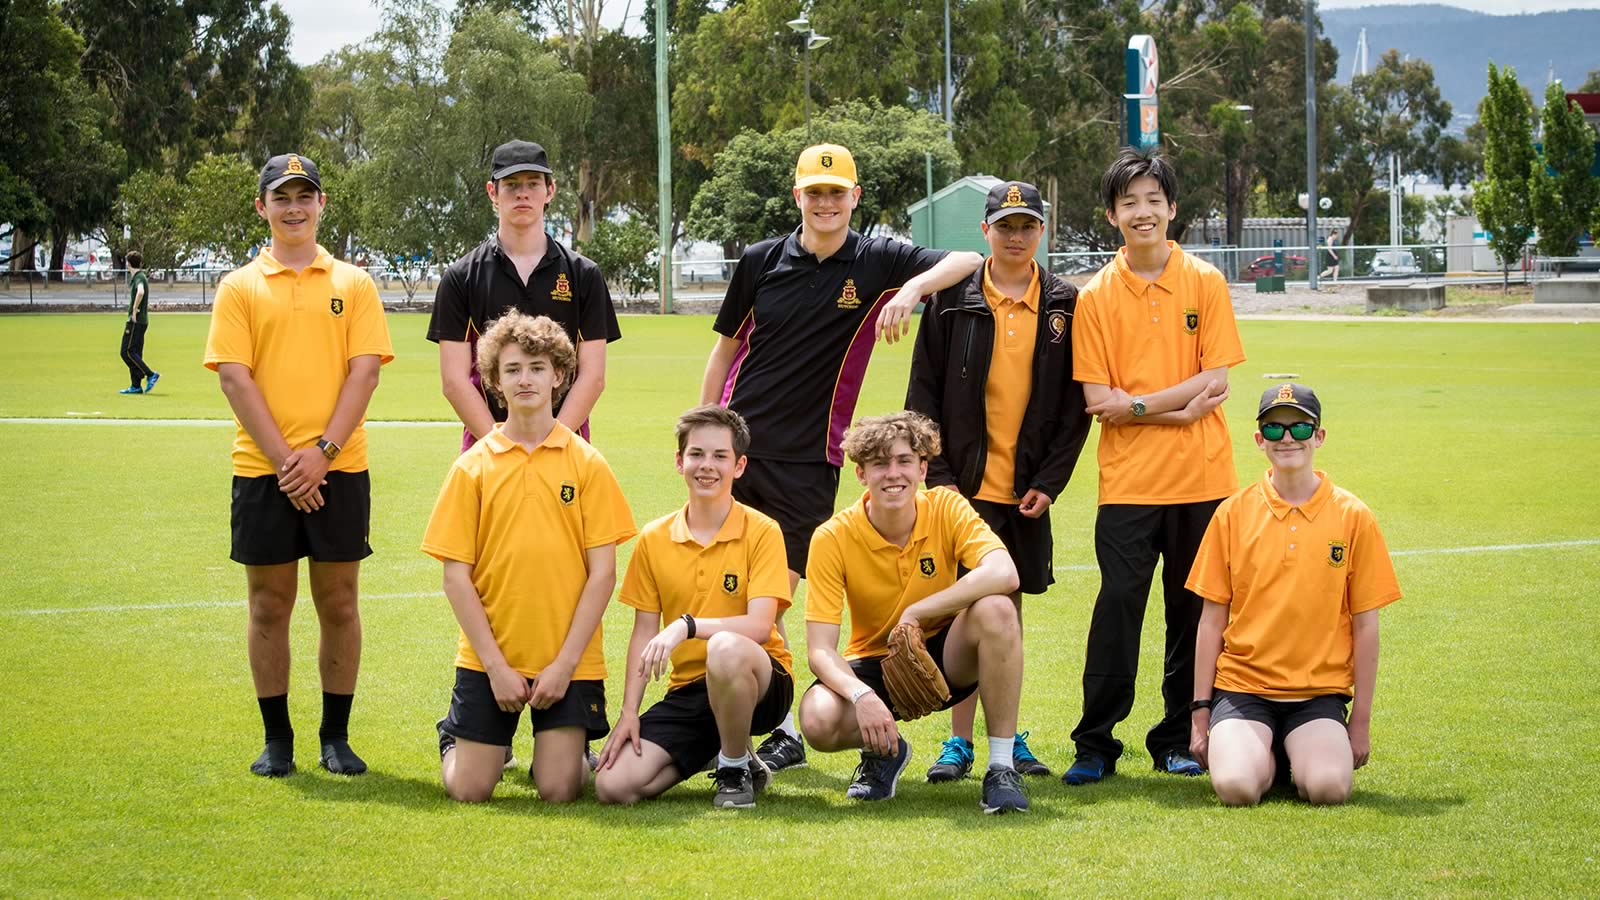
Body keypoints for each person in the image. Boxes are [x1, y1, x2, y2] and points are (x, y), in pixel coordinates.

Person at [701, 143, 983, 772]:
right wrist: (709, 439)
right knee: (733, 592)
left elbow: (969, 258)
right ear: (796, 197)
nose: (825, 203)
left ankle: (777, 731)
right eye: (813, 192)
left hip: (811, 460)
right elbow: (724, 354)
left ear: (855, 198)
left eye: (837, 193)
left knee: (776, 598)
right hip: (743, 449)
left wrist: (909, 289)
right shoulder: (759, 262)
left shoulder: (878, 257)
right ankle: (749, 729)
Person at [203, 153, 394, 777]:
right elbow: (235, 378)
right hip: (263, 471)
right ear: (262, 207)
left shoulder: (354, 284)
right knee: (268, 605)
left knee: (339, 602)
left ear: (321, 204)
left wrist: (323, 456)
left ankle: (334, 737)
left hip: (341, 468)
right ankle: (277, 739)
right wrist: (291, 462)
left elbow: (364, 373)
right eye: (281, 197)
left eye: (304, 196)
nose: (293, 207)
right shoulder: (238, 286)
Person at [1064, 147, 1247, 786]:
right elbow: (1096, 404)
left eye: (1153, 200)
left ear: (1173, 209)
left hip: (1205, 479)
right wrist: (1175, 408)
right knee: (1118, 607)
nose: (1142, 212)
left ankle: (1175, 740)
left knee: (1192, 613)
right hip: (1129, 484)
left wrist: (1139, 403)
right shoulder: (1095, 298)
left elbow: (1216, 378)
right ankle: (1094, 744)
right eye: (1129, 202)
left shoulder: (1205, 282)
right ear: (1112, 215)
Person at [906, 180, 1091, 782]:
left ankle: (1005, 739)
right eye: (1005, 226)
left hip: (1025, 490)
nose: (1016, 237)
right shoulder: (951, 298)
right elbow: (922, 396)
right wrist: (938, 477)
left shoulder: (1065, 303)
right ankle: (959, 741)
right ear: (984, 232)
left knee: (1005, 610)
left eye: (1027, 226)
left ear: (1043, 231)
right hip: (960, 487)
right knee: (962, 610)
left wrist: (1051, 480)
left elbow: (1074, 406)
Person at [421, 311, 636, 803]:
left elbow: (602, 574)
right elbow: (456, 578)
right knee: (469, 789)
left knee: (559, 789)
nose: (526, 379)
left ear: (559, 376)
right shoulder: (473, 466)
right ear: (494, 381)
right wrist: (495, 667)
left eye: (537, 368)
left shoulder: (587, 463)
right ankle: (459, 737)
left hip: (570, 660)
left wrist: (563, 665)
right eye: (512, 369)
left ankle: (563, 748)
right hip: (490, 657)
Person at [797, 412, 1031, 814]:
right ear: (860, 473)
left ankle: (1001, 767)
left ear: (923, 468)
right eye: (879, 463)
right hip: (876, 661)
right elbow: (820, 650)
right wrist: (862, 695)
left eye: (904, 461)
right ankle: (885, 750)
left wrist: (918, 611)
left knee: (999, 608)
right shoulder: (832, 536)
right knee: (816, 719)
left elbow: (1004, 572)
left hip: (947, 655)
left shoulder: (946, 505)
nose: (894, 474)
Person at [1187, 383, 1401, 805]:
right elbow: (1211, 620)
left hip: (1317, 694)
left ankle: (1297, 753)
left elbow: (1366, 625)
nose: (1287, 438)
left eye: (1300, 428)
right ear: (1259, 439)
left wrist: (1360, 722)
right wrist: (1200, 713)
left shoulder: (1353, 515)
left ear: (1319, 437)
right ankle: (1266, 756)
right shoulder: (1232, 513)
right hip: (1244, 689)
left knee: (1328, 789)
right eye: (1275, 428)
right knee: (1236, 788)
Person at [594, 405, 794, 809]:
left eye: (720, 456)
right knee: (614, 787)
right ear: (679, 461)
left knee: (724, 647)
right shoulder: (654, 537)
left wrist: (686, 626)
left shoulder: (763, 531)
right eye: (697, 454)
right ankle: (723, 748)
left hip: (760, 682)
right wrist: (629, 711)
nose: (707, 466)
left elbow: (759, 627)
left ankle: (734, 766)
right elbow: (643, 632)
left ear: (739, 466)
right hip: (690, 689)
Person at [429, 139, 621, 452]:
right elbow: (454, 380)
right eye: (511, 184)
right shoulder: (460, 277)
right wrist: (501, 444)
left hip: (566, 445)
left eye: (533, 183)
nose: (522, 193)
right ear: (492, 192)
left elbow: (593, 376)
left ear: (550, 191)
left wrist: (552, 442)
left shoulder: (584, 275)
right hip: (486, 447)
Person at [119, 250, 159, 395]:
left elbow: (140, 292)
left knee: (126, 351)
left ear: (128, 263)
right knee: (135, 353)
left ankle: (150, 374)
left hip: (136, 321)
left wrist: (135, 309)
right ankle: (135, 385)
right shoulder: (138, 277)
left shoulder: (139, 278)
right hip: (142, 321)